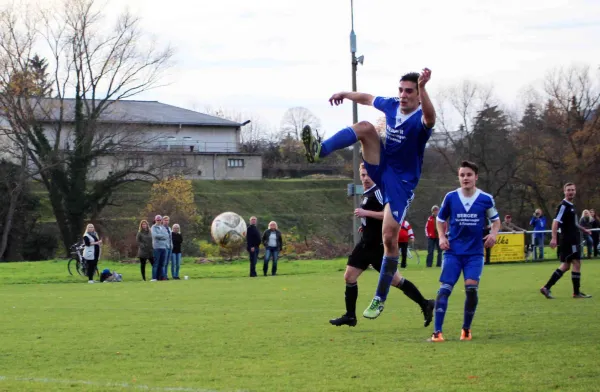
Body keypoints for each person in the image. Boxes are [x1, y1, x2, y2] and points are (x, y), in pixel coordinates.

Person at [302, 69, 435, 319]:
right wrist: (345, 93)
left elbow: (430, 117)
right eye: (401, 90)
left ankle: (379, 298)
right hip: (382, 167)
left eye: (409, 91)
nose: (403, 95)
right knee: (364, 127)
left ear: (418, 95)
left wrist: (425, 87)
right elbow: (367, 98)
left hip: (402, 183)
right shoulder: (393, 105)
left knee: (388, 238)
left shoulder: (420, 118)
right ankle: (320, 150)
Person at [329, 163, 434, 327]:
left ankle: (425, 303)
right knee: (352, 277)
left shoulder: (379, 191)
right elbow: (376, 218)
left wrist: (366, 213)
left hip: (377, 246)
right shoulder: (368, 192)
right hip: (367, 243)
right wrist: (365, 224)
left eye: (368, 175)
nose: (365, 178)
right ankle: (350, 316)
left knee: (394, 280)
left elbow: (389, 214)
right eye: (362, 175)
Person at [428, 161, 501, 342]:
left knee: (471, 289)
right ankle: (437, 332)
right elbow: (440, 220)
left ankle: (466, 329)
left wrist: (493, 234)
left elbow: (496, 220)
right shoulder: (451, 197)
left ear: (476, 177)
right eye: (462, 175)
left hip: (475, 253)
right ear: (459, 177)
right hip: (453, 252)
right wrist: (442, 237)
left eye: (469, 175)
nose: (465, 178)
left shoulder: (485, 199)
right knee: (444, 290)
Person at [540, 183, 592, 299]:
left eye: (573, 190)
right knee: (577, 263)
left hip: (571, 239)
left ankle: (546, 288)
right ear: (564, 191)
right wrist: (553, 238)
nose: (571, 192)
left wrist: (584, 230)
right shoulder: (563, 205)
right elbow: (555, 222)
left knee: (566, 265)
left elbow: (574, 223)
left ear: (575, 191)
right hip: (569, 239)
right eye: (568, 190)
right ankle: (576, 293)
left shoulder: (571, 206)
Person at [151, 215, 169, 282]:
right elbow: (155, 236)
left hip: (164, 247)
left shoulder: (163, 227)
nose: (158, 221)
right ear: (155, 220)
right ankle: (154, 277)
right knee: (156, 263)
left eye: (159, 220)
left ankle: (161, 277)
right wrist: (162, 236)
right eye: (157, 220)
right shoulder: (153, 227)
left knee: (162, 264)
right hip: (157, 247)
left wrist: (161, 236)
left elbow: (167, 235)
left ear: (161, 220)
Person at [162, 216, 173, 280]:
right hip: (164, 247)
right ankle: (163, 276)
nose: (166, 221)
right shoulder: (161, 228)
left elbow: (170, 238)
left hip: (169, 247)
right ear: (163, 221)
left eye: (167, 220)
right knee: (164, 262)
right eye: (165, 220)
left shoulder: (169, 228)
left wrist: (171, 245)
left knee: (167, 263)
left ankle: (166, 275)